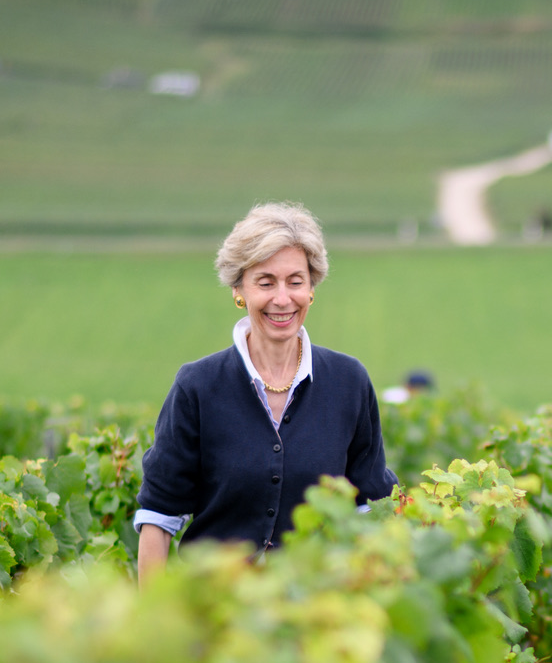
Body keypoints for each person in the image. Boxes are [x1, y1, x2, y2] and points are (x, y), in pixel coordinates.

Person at [134, 202, 395, 575]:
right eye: (266, 282)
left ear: (311, 288)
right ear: (239, 289)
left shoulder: (349, 381)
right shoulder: (197, 386)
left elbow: (372, 505)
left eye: (295, 281)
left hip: (317, 614)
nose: (282, 299)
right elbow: (158, 518)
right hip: (215, 612)